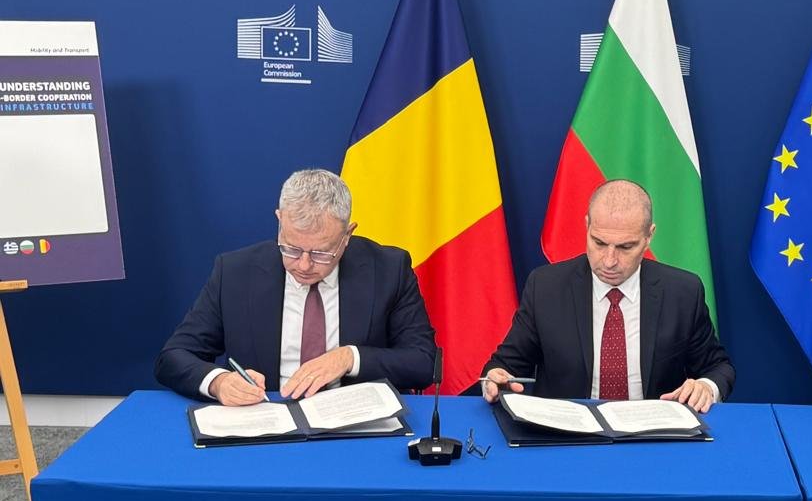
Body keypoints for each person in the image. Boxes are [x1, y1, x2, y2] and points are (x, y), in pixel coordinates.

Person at [155, 169, 437, 403]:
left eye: (321, 253)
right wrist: (219, 382)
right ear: (280, 220)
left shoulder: (388, 269)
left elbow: (423, 362)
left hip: (355, 425)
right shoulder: (235, 273)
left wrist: (349, 358)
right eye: (290, 248)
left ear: (347, 234)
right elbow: (174, 357)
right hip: (267, 420)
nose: (303, 265)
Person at [481, 179, 733, 412]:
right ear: (587, 226)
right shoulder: (546, 287)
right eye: (599, 243)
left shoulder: (682, 292)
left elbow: (717, 367)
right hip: (569, 432)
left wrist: (706, 387)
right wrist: (496, 379)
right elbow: (505, 365)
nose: (609, 261)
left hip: (652, 433)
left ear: (649, 236)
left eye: (625, 247)